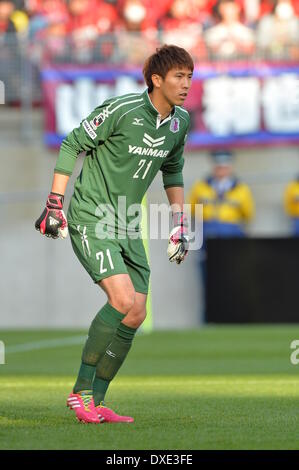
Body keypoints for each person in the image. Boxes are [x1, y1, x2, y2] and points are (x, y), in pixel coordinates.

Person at [35, 44, 193, 424]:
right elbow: (73, 142)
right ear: (157, 80)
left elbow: (172, 171)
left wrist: (180, 221)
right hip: (92, 215)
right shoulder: (122, 109)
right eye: (178, 76)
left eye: (189, 77)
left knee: (136, 312)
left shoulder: (180, 123)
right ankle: (80, 394)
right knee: (122, 299)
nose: (186, 84)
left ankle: (96, 401)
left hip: (128, 222)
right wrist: (55, 202)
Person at [187, 149, 255, 319]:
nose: (221, 170)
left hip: (232, 236)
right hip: (208, 236)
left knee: (235, 279)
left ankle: (235, 317)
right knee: (208, 280)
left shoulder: (241, 189)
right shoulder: (201, 186)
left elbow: (248, 214)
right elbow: (192, 209)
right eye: (218, 166)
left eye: (224, 166)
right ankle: (210, 318)